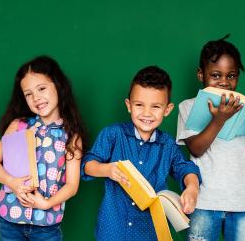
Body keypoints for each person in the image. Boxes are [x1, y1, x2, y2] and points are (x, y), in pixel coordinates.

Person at [83, 66, 201, 241]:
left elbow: (185, 168)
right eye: (139, 105)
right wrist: (106, 170)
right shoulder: (113, 134)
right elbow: (87, 165)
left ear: (167, 110)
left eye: (155, 107)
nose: (147, 113)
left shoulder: (167, 144)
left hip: (150, 232)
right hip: (112, 229)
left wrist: (192, 188)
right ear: (128, 105)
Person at [177, 35, 245, 241]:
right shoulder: (187, 107)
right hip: (203, 203)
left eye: (231, 76)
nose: (224, 82)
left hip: (242, 203)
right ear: (200, 75)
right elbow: (196, 148)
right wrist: (219, 119)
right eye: (215, 75)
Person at [0, 56, 87, 241]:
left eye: (42, 88)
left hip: (46, 224)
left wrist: (46, 203)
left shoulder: (72, 135)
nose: (36, 98)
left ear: (58, 86)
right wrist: (12, 182)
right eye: (28, 94)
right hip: (10, 218)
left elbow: (72, 186)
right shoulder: (19, 125)